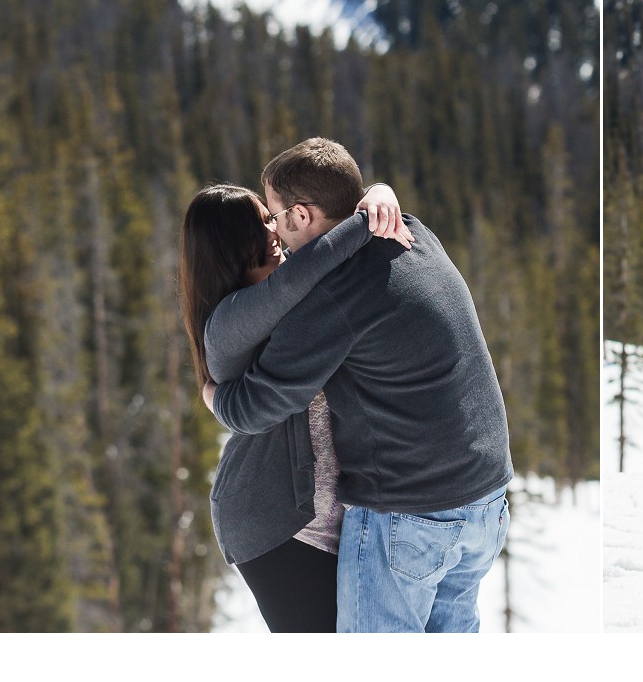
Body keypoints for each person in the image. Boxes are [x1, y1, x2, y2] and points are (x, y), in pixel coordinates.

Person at [206, 138, 512, 633]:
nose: (278, 239)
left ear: (302, 216)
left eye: (278, 219)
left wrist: (211, 393)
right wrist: (379, 192)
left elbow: (256, 407)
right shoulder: (412, 232)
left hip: (410, 516)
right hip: (487, 501)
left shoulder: (336, 295)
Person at [180, 180, 411, 632]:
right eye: (256, 225)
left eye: (270, 218)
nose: (273, 232)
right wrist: (370, 213)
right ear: (224, 246)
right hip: (276, 525)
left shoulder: (275, 293)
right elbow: (317, 264)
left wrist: (380, 190)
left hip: (323, 518)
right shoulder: (233, 318)